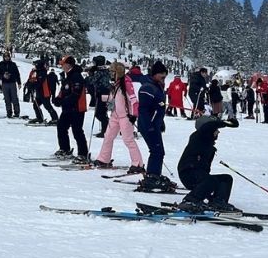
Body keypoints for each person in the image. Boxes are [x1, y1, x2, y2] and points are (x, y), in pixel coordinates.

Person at [177, 115, 240, 213]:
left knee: (226, 179)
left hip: (198, 174)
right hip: (188, 172)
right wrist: (226, 122)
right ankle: (190, 201)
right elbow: (208, 126)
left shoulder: (208, 144)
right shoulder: (198, 136)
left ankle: (218, 202)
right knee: (211, 180)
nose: (218, 132)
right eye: (216, 129)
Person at [94, 62, 144, 174]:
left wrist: (133, 115)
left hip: (125, 116)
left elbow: (133, 100)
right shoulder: (116, 84)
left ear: (119, 72)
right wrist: (100, 96)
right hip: (115, 115)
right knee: (108, 136)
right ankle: (104, 159)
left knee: (128, 140)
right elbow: (113, 98)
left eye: (113, 72)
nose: (111, 74)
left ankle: (138, 164)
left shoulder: (126, 83)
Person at [136, 60, 176, 192]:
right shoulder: (148, 87)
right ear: (154, 74)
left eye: (165, 75)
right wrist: (150, 125)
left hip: (154, 124)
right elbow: (144, 109)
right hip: (148, 125)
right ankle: (152, 177)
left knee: (158, 151)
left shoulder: (157, 85)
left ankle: (154, 175)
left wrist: (160, 122)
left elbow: (159, 107)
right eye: (162, 75)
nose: (164, 77)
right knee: (157, 151)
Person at [54, 56, 89, 163]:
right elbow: (64, 90)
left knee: (77, 131)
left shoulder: (76, 76)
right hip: (68, 109)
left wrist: (63, 101)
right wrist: (58, 99)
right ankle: (65, 149)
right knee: (61, 127)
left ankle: (83, 154)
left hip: (77, 109)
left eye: (63, 64)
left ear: (69, 65)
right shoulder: (68, 76)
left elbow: (76, 94)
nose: (62, 66)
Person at [86, 56, 111, 137]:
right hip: (106, 93)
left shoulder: (99, 72)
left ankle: (106, 128)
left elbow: (91, 81)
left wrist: (91, 73)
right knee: (103, 112)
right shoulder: (106, 71)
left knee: (99, 113)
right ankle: (105, 129)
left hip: (101, 93)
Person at [0, 53, 21, 117]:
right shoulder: (1, 64)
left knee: (14, 98)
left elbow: (17, 74)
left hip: (12, 83)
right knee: (7, 99)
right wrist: (3, 76)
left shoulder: (13, 64)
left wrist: (19, 82)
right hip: (4, 83)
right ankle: (9, 112)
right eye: (5, 57)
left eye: (8, 57)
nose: (6, 58)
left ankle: (17, 112)